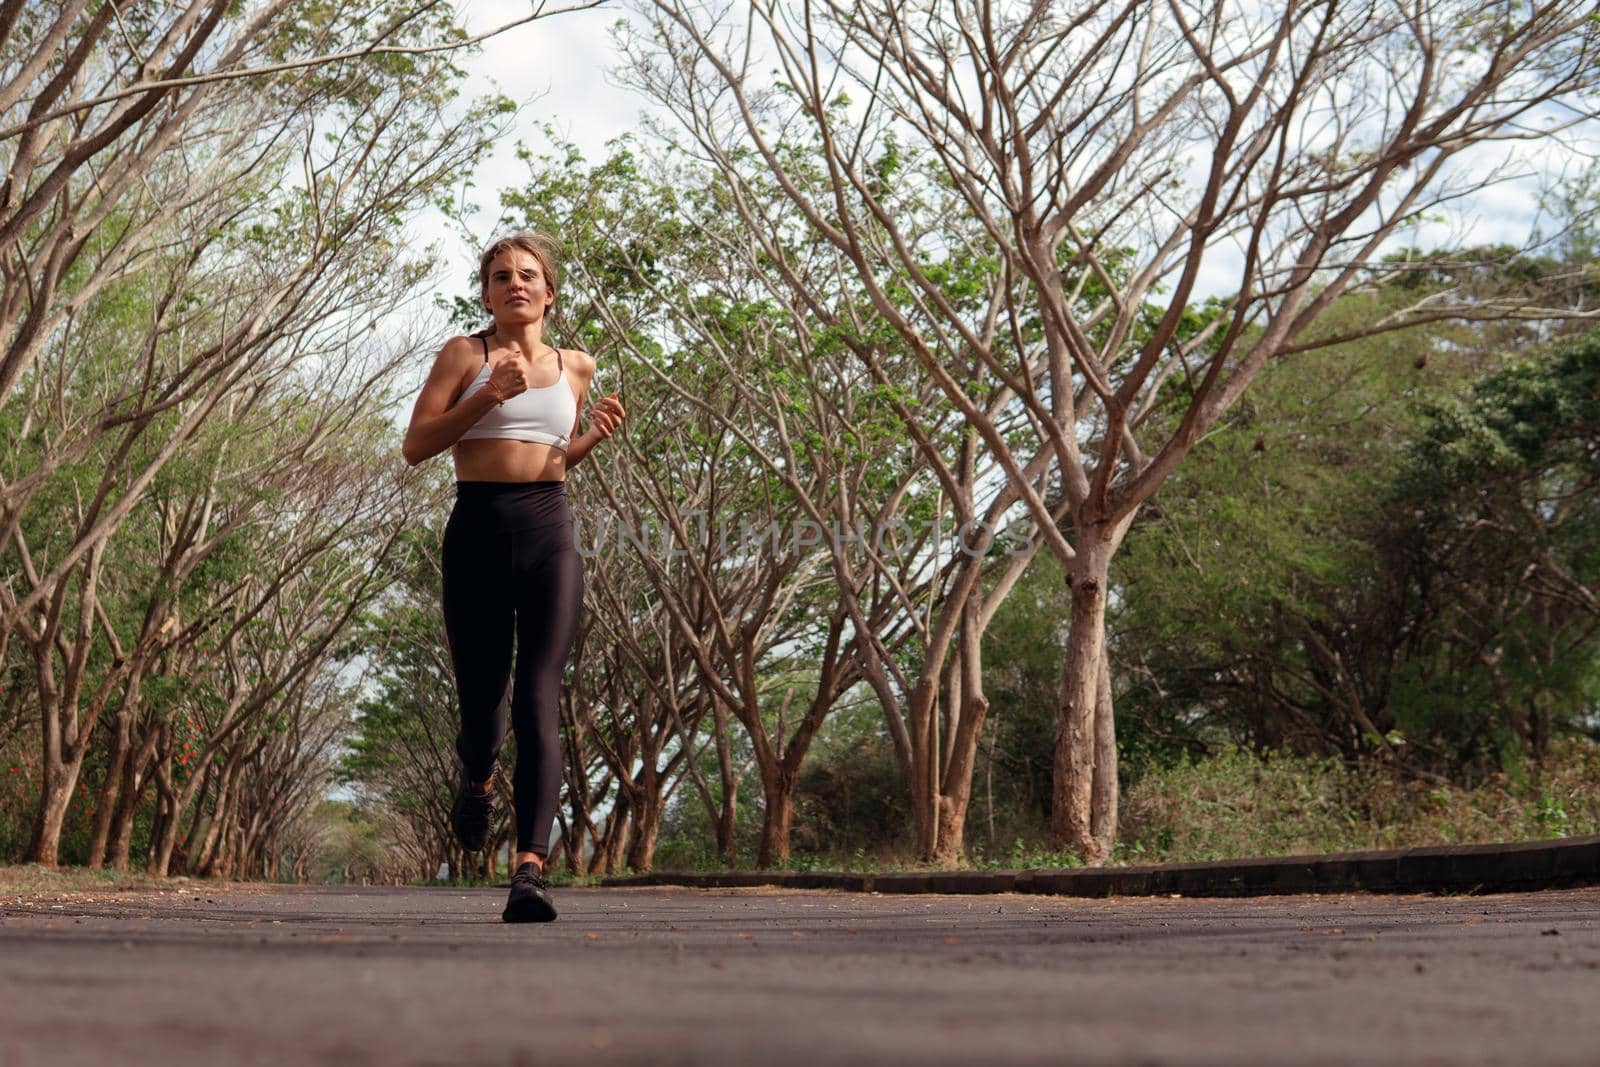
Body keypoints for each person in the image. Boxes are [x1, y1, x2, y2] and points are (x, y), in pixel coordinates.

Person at [402, 233, 625, 922]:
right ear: (487, 295)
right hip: (475, 529)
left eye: (528, 275)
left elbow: (550, 459)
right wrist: (486, 396)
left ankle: (530, 864)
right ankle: (478, 778)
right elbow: (416, 447)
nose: (515, 284)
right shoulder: (463, 355)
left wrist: (588, 440)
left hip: (548, 530)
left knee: (538, 693)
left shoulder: (576, 366)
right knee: (482, 707)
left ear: (549, 293)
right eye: (501, 277)